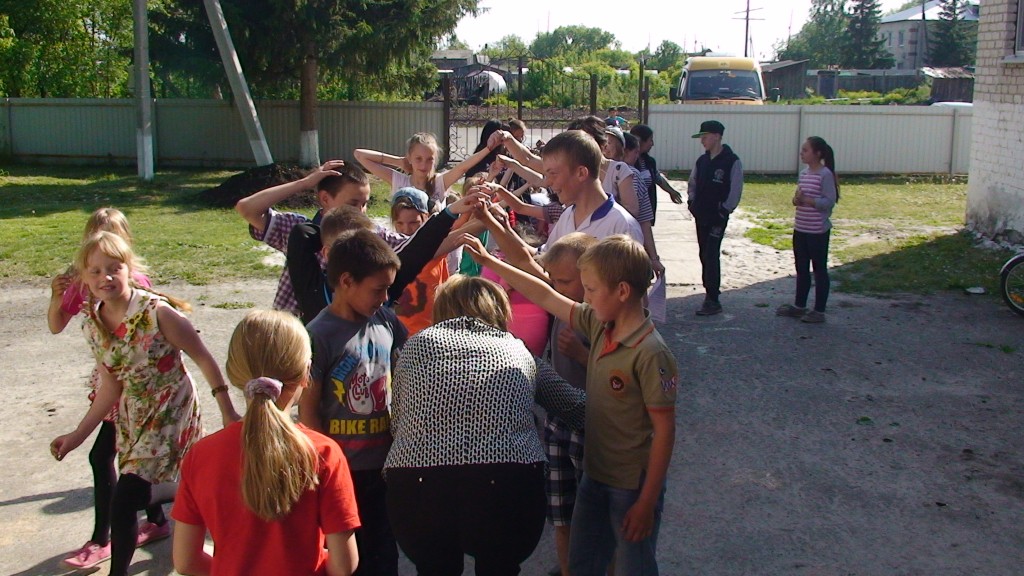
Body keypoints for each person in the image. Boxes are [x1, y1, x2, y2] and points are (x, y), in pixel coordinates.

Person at [463, 233, 678, 576]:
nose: (585, 297)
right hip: (595, 475)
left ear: (622, 291)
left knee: (632, 566)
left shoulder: (652, 353)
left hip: (630, 486)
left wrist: (647, 502)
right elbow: (546, 295)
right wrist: (490, 262)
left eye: (591, 289)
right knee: (582, 563)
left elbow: (664, 432)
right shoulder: (600, 324)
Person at [50, 232, 238, 576]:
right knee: (135, 496)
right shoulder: (93, 323)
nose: (105, 277)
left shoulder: (156, 313)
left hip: (172, 411)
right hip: (134, 416)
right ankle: (185, 492)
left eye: (114, 268)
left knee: (124, 499)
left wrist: (226, 409)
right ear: (84, 278)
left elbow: (203, 357)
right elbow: (110, 387)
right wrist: (77, 436)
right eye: (95, 271)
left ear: (129, 268)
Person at [384, 275, 586, 575]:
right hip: (507, 482)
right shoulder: (516, 349)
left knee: (434, 568)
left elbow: (398, 423)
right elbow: (575, 409)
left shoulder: (414, 349)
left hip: (418, 486)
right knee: (500, 566)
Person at [172, 310, 360, 576]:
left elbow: (185, 561)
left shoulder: (201, 455)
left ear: (234, 373)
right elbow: (344, 565)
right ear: (306, 373)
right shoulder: (323, 453)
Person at [47, 208, 167, 569]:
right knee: (128, 458)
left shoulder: (136, 284)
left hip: (135, 384)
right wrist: (56, 296)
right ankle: (156, 519)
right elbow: (56, 324)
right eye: (94, 237)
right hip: (109, 379)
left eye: (112, 239)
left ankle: (103, 538)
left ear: (125, 246)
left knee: (106, 457)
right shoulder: (83, 283)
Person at [301, 229, 409, 576]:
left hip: (385, 466)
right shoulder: (317, 335)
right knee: (350, 561)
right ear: (346, 281)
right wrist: (324, 469)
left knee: (384, 556)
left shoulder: (386, 321)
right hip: (343, 472)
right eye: (378, 289)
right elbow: (309, 410)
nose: (385, 297)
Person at [286, 191, 488, 324]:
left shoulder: (384, 283)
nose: (384, 298)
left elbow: (417, 251)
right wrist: (330, 233)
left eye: (367, 244)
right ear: (328, 253)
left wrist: (450, 212)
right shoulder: (312, 289)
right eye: (352, 248)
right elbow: (300, 233)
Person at [235, 161, 372, 316]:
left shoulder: (372, 237)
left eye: (365, 204)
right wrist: (304, 183)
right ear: (325, 199)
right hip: (289, 325)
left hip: (335, 328)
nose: (361, 211)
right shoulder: (297, 228)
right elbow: (246, 208)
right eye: (353, 203)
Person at [538, 233, 597, 576]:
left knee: (594, 517)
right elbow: (527, 268)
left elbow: (618, 377)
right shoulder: (563, 304)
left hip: (591, 425)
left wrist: (581, 353)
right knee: (561, 516)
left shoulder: (597, 317)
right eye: (553, 281)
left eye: (564, 281)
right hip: (556, 421)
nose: (556, 288)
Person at [776, 136, 839, 324]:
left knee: (819, 270)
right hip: (801, 228)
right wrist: (797, 200)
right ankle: (799, 306)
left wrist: (809, 201)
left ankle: (819, 311)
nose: (801, 153)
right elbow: (798, 197)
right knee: (801, 269)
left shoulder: (825, 174)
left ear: (817, 153)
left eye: (805, 150)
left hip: (817, 231)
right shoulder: (804, 174)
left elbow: (829, 201)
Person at [687, 120, 743, 316]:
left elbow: (735, 189)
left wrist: (724, 209)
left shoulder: (731, 161)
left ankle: (713, 298)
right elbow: (693, 182)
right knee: (704, 253)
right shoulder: (702, 161)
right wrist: (692, 202)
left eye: (705, 136)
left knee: (711, 254)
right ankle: (709, 292)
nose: (702, 140)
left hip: (717, 217)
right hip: (701, 214)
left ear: (717, 136)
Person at [354, 132, 498, 207]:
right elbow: (359, 155)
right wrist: (398, 161)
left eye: (429, 159)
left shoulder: (439, 182)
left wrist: (488, 148)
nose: (423, 165)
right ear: (410, 157)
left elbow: (463, 167)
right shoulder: (400, 181)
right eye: (418, 159)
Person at [389, 187, 458, 336]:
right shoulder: (391, 249)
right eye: (399, 223)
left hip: (432, 332)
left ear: (426, 217)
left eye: (413, 222)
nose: (406, 229)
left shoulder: (434, 247)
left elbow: (463, 232)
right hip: (400, 333)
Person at [630, 124, 684, 226]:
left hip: (645, 214)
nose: (652, 144)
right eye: (650, 140)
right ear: (639, 140)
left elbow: (658, 178)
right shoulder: (626, 161)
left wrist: (671, 192)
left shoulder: (649, 162)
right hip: (630, 215)